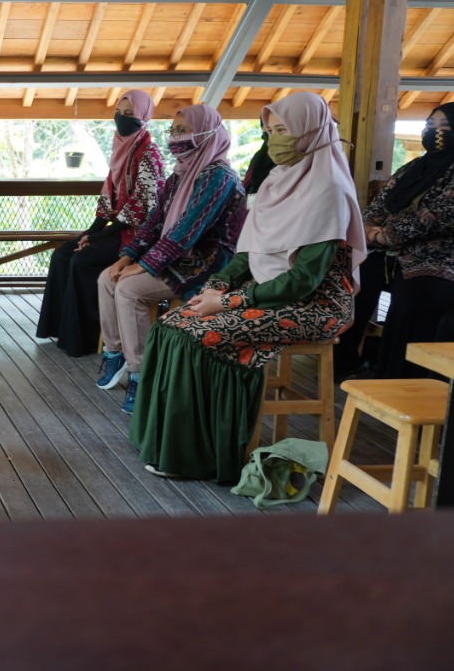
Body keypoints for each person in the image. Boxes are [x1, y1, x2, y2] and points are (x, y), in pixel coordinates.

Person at [129, 92, 365, 483]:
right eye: (269, 131)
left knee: (200, 335)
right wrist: (216, 288)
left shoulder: (329, 189)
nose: (275, 140)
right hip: (267, 291)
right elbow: (247, 253)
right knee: (171, 325)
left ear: (311, 131)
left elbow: (304, 280)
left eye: (283, 130)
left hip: (315, 304)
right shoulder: (278, 180)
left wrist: (228, 302)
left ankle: (200, 455)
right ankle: (160, 441)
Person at [96, 104, 246, 410]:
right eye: (173, 130)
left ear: (208, 133)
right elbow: (155, 224)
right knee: (106, 278)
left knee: (128, 289)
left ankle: (141, 374)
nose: (175, 137)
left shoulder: (219, 177)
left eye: (183, 130)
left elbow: (186, 231)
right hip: (176, 258)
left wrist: (144, 265)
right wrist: (127, 257)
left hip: (208, 264)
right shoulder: (180, 174)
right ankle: (115, 353)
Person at [335, 100, 454, 379]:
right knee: (351, 277)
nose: (435, 132)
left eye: (446, 127)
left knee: (417, 296)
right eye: (430, 126)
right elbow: (379, 205)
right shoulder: (415, 167)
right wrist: (368, 228)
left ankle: (399, 376)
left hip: (443, 256)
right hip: (390, 250)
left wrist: (385, 235)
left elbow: (438, 216)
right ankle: (344, 362)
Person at [36, 90, 164, 356]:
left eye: (131, 114)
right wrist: (90, 233)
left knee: (82, 260)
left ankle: (86, 337)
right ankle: (61, 329)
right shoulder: (121, 147)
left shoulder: (149, 152)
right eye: (120, 112)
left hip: (138, 235)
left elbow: (142, 206)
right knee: (63, 254)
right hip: (118, 228)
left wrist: (97, 238)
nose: (123, 118)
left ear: (143, 117)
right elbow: (109, 198)